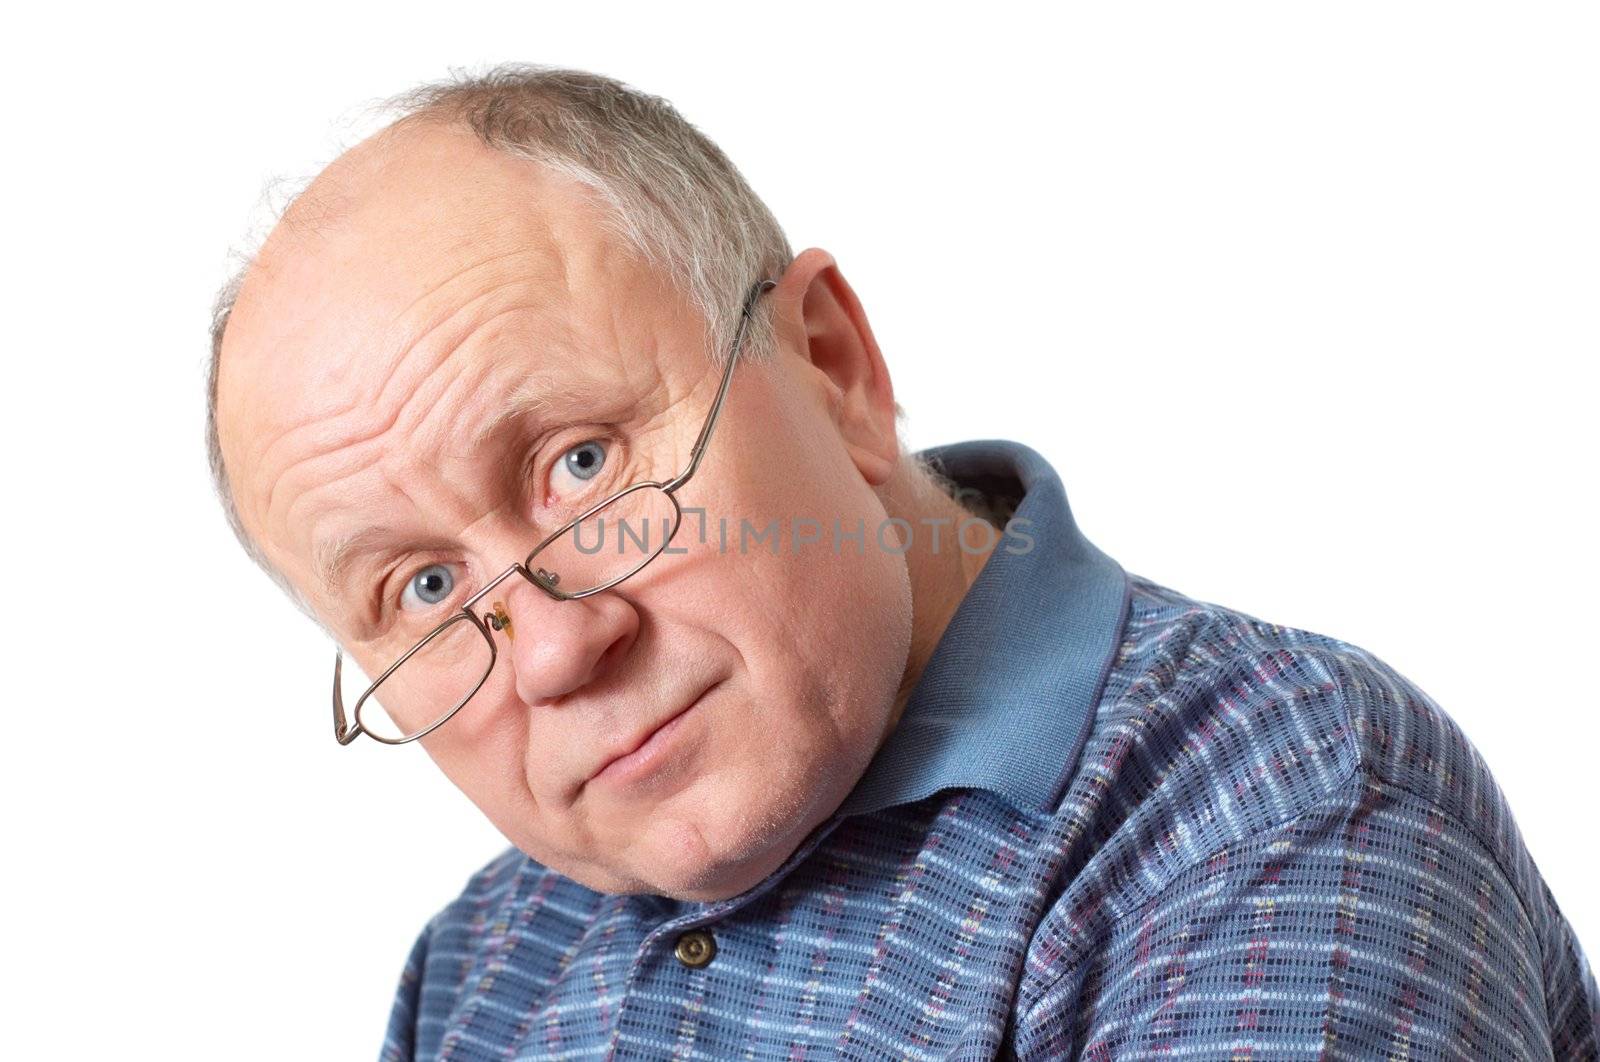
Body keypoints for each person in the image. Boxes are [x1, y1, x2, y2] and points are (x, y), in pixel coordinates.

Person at [205, 65, 1598, 1060]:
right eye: (427, 591)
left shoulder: (1281, 820)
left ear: (831, 369)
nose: (559, 649)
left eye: (581, 464)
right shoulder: (483, 968)